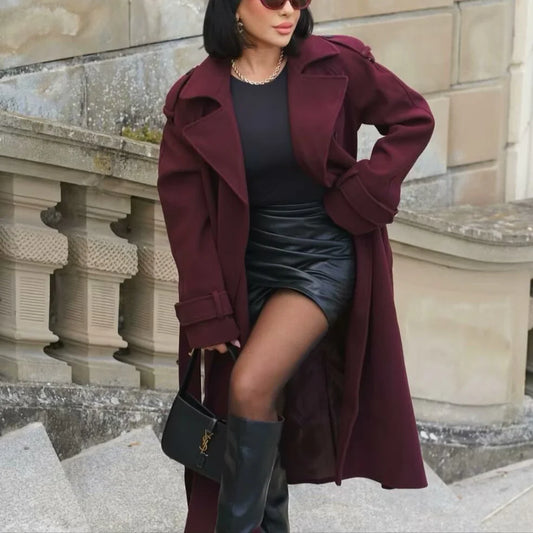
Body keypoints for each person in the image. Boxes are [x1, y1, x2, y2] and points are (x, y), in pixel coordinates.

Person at [157, 0, 435, 531]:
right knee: (255, 405)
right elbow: (185, 214)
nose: (288, 9)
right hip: (242, 266)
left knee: (249, 385)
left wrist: (362, 192)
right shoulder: (194, 97)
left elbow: (412, 119)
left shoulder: (337, 64)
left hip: (320, 256)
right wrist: (206, 307)